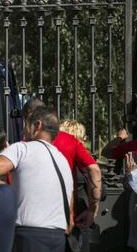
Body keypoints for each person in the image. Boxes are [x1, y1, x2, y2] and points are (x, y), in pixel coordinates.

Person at [0, 106, 74, 252]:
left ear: (37, 125)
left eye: (25, 125)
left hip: (28, 236)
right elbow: (70, 212)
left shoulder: (22, 148)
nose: (22, 131)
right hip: (58, 237)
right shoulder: (62, 159)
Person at [23, 98, 102, 233]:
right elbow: (94, 169)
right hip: (67, 216)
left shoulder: (23, 146)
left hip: (33, 220)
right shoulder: (69, 140)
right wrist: (92, 209)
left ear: (29, 117)